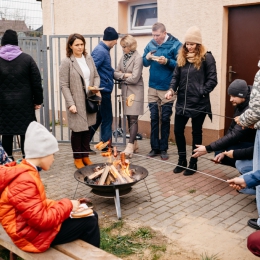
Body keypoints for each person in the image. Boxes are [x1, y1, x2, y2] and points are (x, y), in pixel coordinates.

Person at [0, 121, 100, 252]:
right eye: (52, 154)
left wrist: (67, 205)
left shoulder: (25, 171)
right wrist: (68, 206)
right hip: (30, 237)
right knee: (90, 222)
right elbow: (41, 220)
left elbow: (35, 206)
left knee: (90, 214)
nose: (53, 159)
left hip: (29, 230)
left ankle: (83, 252)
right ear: (42, 154)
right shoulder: (24, 180)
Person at [165, 26, 217, 175]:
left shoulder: (207, 58)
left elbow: (213, 80)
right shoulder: (182, 57)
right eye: (187, 44)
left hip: (199, 102)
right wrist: (171, 90)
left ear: (198, 44)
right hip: (182, 101)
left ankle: (193, 163)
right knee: (177, 130)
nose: (189, 47)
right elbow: (175, 77)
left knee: (196, 132)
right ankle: (182, 160)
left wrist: (201, 91)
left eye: (192, 44)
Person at [227, 61, 260, 257]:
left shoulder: (249, 109)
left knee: (254, 242)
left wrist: (245, 121)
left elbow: (256, 109)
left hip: (246, 149)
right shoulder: (239, 108)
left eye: (233, 96)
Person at [0, 29, 43, 160]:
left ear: (2, 43)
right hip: (25, 104)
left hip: (3, 105)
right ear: (16, 43)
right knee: (26, 134)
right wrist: (38, 101)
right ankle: (27, 163)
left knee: (7, 134)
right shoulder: (27, 59)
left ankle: (7, 165)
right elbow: (36, 82)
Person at [193, 79, 256, 168]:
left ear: (243, 95)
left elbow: (235, 134)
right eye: (230, 96)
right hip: (245, 140)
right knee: (219, 152)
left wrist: (208, 148)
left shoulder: (251, 108)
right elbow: (232, 128)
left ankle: (249, 171)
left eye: (233, 96)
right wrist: (222, 150)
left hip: (254, 144)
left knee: (230, 151)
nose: (231, 99)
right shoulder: (240, 104)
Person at [60, 33, 100, 169]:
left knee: (87, 128)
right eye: (77, 45)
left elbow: (96, 75)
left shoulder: (88, 58)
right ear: (70, 46)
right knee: (77, 130)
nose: (80, 47)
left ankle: (85, 156)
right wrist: (70, 103)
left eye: (82, 44)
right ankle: (77, 158)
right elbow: (63, 85)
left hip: (89, 99)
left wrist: (95, 87)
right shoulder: (67, 62)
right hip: (76, 100)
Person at [143, 22, 182, 161]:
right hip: (152, 87)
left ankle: (164, 148)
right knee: (154, 117)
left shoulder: (176, 44)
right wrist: (146, 58)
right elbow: (144, 62)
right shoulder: (151, 44)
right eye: (153, 35)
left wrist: (167, 62)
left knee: (165, 118)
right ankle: (154, 148)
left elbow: (180, 65)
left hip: (167, 88)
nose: (155, 38)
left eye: (157, 35)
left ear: (164, 33)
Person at [114, 35, 144, 157]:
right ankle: (135, 145)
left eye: (124, 46)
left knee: (133, 119)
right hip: (126, 91)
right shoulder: (123, 58)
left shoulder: (138, 58)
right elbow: (115, 73)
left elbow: (135, 78)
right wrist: (126, 75)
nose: (122, 49)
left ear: (130, 46)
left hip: (135, 91)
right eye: (122, 46)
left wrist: (123, 76)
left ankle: (130, 146)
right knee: (128, 117)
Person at [90, 27, 118, 149]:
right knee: (107, 118)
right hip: (102, 91)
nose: (116, 42)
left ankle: (86, 144)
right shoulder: (101, 51)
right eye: (116, 40)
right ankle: (106, 146)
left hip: (103, 89)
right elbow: (91, 70)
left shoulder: (103, 50)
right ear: (111, 39)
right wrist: (96, 89)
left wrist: (118, 74)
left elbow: (105, 69)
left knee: (99, 118)